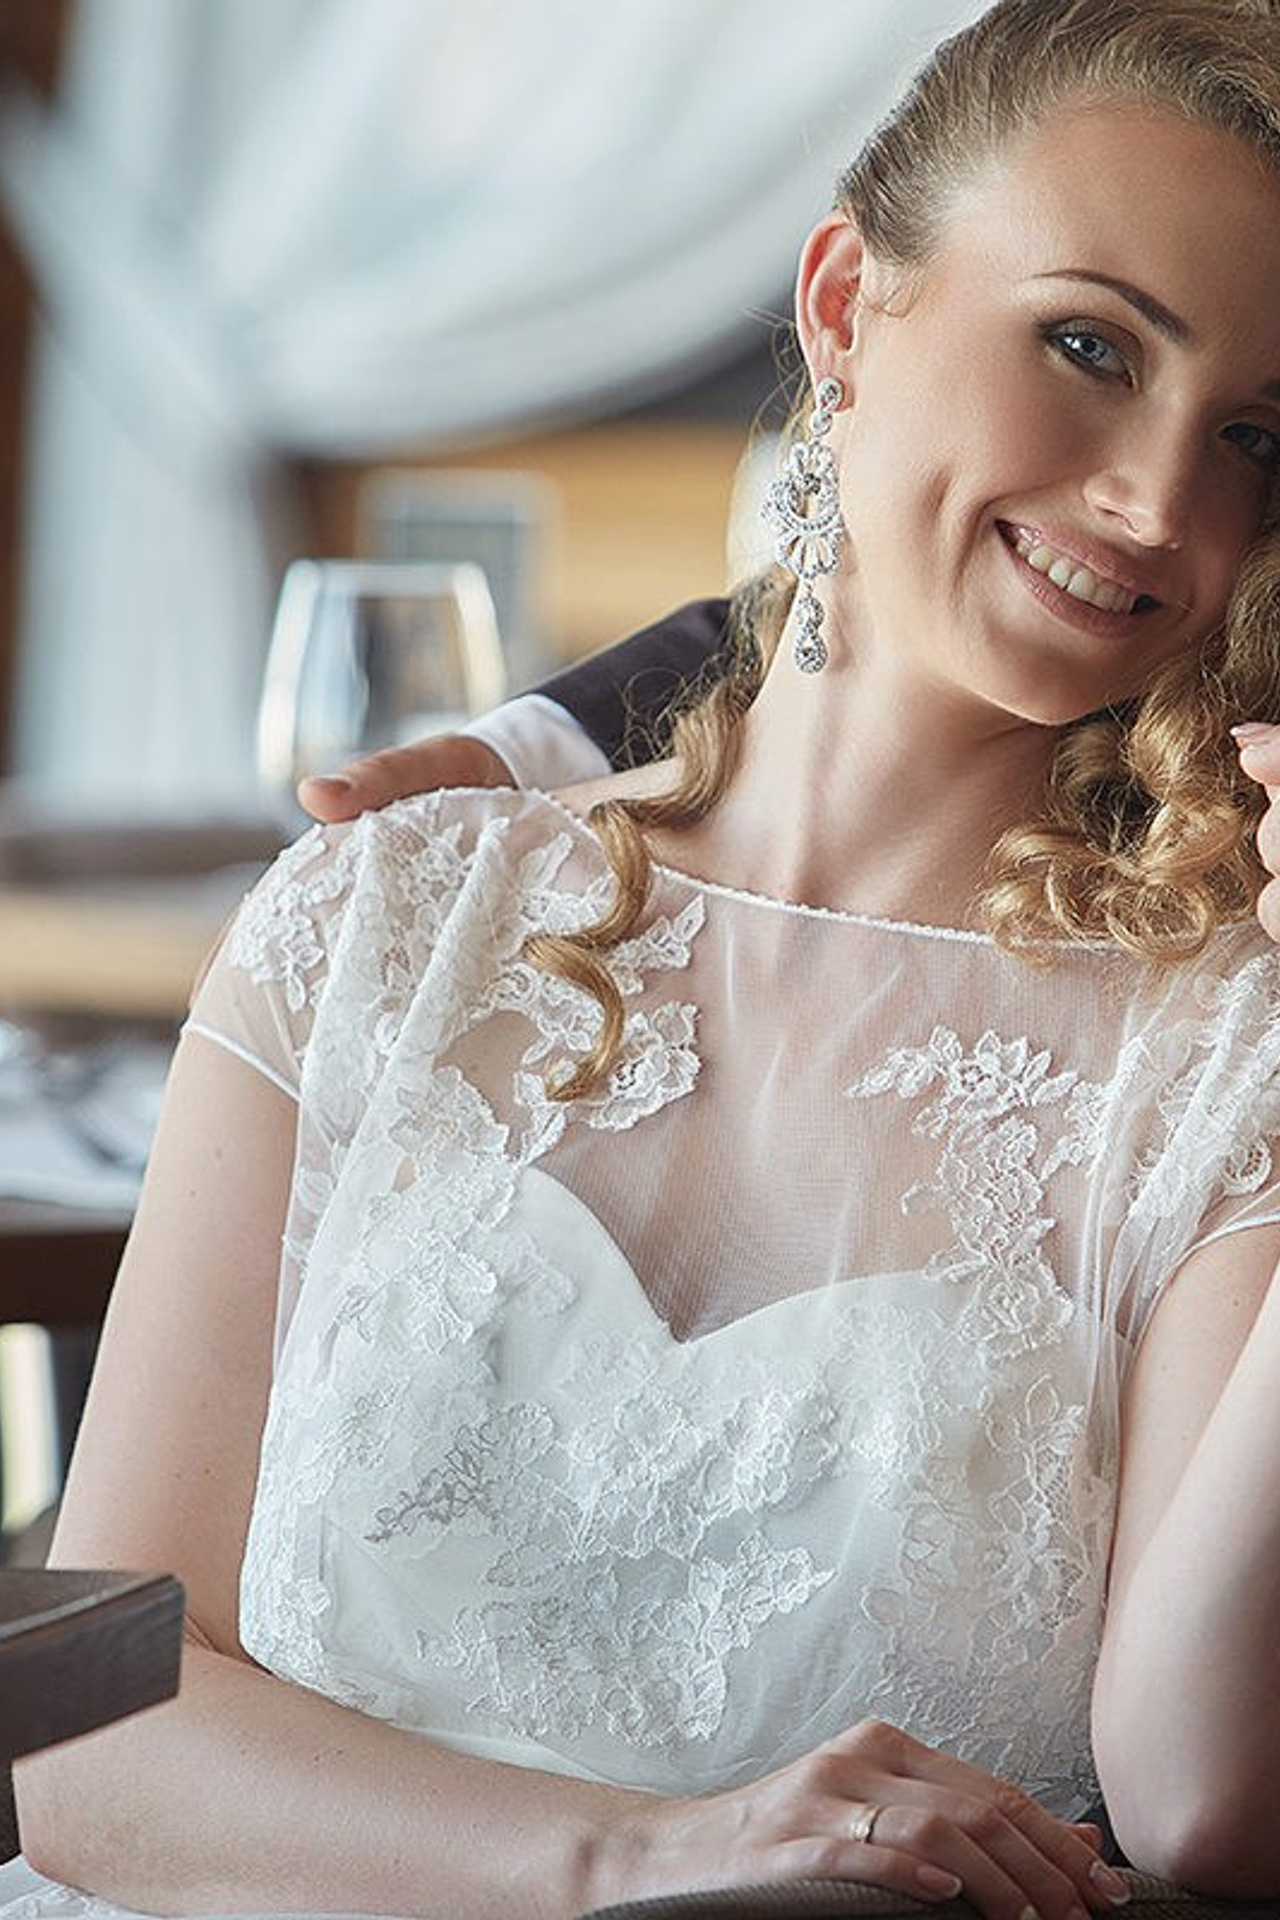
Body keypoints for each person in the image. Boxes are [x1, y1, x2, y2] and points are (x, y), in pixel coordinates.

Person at [8, 2, 1280, 1914]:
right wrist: (637, 1858)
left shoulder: (1217, 1068)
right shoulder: (385, 924)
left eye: (1259, 436)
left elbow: (1202, 1819)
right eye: (1090, 345)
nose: (1159, 504)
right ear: (849, 304)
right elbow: (91, 1747)